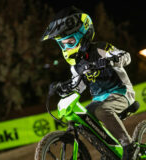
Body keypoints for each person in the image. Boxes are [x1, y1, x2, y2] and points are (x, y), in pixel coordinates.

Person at [41, 6, 137, 160]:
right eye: (63, 44)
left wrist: (112, 59)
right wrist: (63, 88)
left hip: (120, 92)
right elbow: (77, 86)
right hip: (99, 100)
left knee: (101, 112)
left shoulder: (100, 49)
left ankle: (128, 145)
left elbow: (126, 56)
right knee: (83, 118)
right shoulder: (76, 65)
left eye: (70, 41)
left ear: (83, 35)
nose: (66, 47)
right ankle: (108, 151)